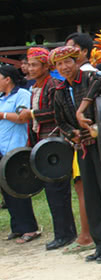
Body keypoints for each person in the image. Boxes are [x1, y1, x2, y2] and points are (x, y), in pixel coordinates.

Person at [50, 46, 101, 263]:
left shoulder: (91, 77)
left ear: (76, 61)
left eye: (68, 62)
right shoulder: (59, 90)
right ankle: (100, 244)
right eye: (59, 64)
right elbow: (60, 121)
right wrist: (71, 133)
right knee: (91, 195)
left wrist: (81, 109)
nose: (64, 67)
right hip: (82, 146)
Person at [17, 47, 77, 250]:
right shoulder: (37, 86)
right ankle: (62, 232)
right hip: (42, 145)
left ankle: (66, 234)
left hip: (55, 145)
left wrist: (32, 115)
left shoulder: (54, 85)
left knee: (57, 190)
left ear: (46, 66)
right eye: (29, 64)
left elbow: (56, 113)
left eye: (35, 64)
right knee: (52, 191)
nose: (30, 68)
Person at [62, 32, 97, 254]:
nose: (64, 62)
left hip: (90, 139)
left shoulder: (89, 76)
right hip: (80, 138)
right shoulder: (70, 81)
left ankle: (88, 235)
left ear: (83, 53)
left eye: (70, 52)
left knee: (85, 187)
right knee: (81, 185)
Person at [0, 65, 41, 244]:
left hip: (16, 148)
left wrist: (2, 115)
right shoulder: (2, 97)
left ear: (7, 79)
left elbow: (23, 117)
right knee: (6, 190)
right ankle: (17, 226)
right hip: (2, 149)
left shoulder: (22, 94)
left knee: (18, 189)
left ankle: (30, 228)